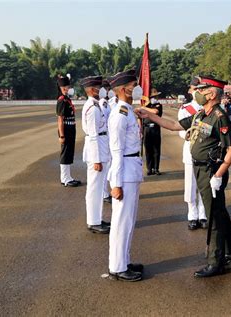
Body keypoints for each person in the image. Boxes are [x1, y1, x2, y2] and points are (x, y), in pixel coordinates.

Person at [136, 75, 231, 278]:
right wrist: (150, 116)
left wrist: (219, 174)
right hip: (200, 170)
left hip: (212, 171)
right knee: (219, 212)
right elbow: (176, 125)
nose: (197, 93)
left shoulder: (220, 117)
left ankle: (215, 261)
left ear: (211, 93)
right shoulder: (201, 114)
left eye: (201, 90)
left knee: (213, 218)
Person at [106, 70, 144, 282]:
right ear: (123, 89)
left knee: (128, 221)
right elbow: (116, 151)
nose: (136, 87)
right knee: (121, 221)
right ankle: (117, 267)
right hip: (125, 172)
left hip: (132, 167)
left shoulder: (128, 110)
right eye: (133, 84)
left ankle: (125, 260)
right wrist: (116, 183)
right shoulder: (119, 114)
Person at [80, 76, 111, 234]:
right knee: (94, 188)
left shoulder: (95, 105)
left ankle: (97, 218)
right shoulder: (92, 108)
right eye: (99, 88)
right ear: (92, 90)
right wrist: (97, 159)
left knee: (98, 188)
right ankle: (93, 221)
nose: (101, 90)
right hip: (96, 151)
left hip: (101, 146)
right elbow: (93, 135)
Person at [178, 76, 207, 230]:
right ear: (190, 90)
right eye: (195, 89)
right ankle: (192, 215)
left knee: (204, 183)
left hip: (205, 150)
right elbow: (180, 130)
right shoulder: (185, 109)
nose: (198, 92)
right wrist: (189, 134)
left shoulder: (208, 108)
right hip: (190, 149)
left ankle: (203, 214)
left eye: (200, 89)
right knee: (190, 184)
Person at [56, 75, 81, 187]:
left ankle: (69, 177)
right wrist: (61, 136)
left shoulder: (67, 99)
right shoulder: (62, 101)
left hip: (71, 129)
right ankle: (65, 178)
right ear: (63, 88)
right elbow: (60, 119)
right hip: (65, 130)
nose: (70, 87)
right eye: (68, 86)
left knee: (69, 153)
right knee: (65, 153)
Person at [143, 88, 163, 175]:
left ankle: (156, 168)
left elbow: (155, 112)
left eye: (156, 96)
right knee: (148, 150)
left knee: (156, 150)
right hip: (146, 129)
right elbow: (140, 118)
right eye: (153, 96)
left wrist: (144, 108)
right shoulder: (145, 105)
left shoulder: (158, 105)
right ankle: (149, 169)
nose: (155, 98)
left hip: (155, 128)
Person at [99, 79, 113, 203]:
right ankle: (104, 193)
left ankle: (105, 192)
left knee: (108, 165)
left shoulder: (106, 102)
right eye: (108, 89)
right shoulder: (103, 103)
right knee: (105, 166)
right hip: (104, 137)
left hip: (106, 136)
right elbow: (105, 121)